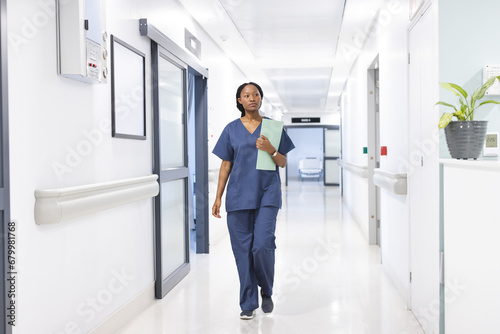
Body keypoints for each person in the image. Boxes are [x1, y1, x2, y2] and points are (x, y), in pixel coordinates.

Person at [212, 82, 295, 320]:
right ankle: (248, 302)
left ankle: (266, 290)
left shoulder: (273, 127)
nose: (252, 98)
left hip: (267, 194)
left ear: (261, 98)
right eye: (246, 95)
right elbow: (225, 164)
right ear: (239, 100)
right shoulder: (231, 129)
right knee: (242, 251)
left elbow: (283, 162)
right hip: (238, 197)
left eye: (255, 94)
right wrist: (217, 197)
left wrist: (270, 149)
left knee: (262, 245)